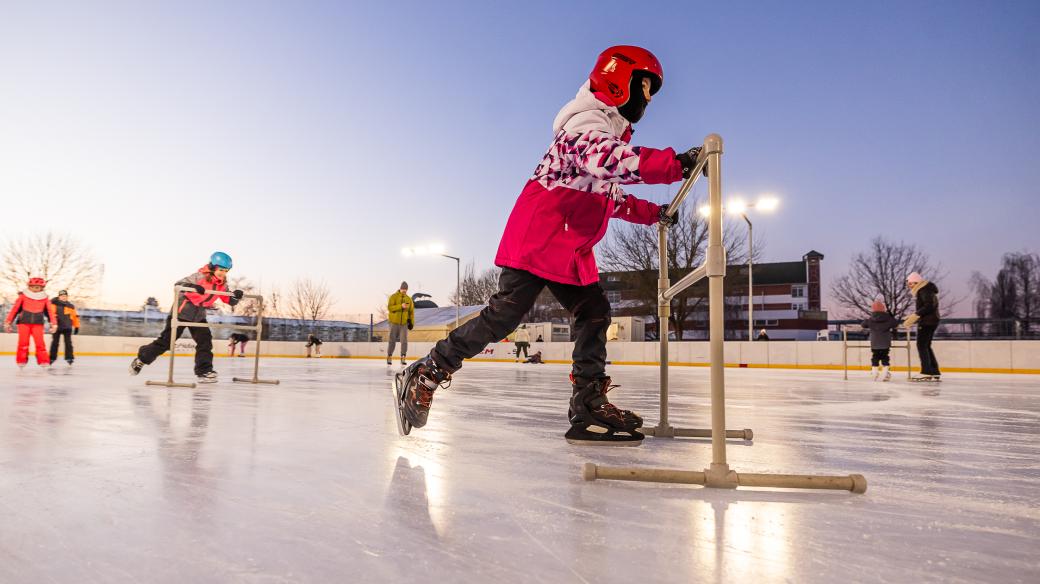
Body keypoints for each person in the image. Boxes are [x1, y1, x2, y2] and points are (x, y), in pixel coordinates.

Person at [397, 46, 694, 444]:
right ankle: (428, 371)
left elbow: (612, 195)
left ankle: (587, 403)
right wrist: (674, 163)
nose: (650, 97)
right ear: (618, 81)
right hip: (539, 237)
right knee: (505, 316)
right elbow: (609, 162)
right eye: (644, 86)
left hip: (568, 246)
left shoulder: (605, 132)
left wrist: (653, 213)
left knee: (594, 313)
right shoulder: (584, 125)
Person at [129, 252, 242, 383]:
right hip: (181, 313)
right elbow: (178, 285)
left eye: (225, 270)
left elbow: (229, 300)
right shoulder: (199, 276)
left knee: (205, 341)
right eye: (220, 269)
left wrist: (236, 296)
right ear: (212, 267)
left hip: (198, 316)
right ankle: (141, 359)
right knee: (166, 342)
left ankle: (204, 371)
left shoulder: (222, 285)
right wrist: (193, 287)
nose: (222, 273)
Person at [4, 277, 57, 368]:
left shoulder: (45, 299)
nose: (35, 289)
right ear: (29, 286)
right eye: (33, 287)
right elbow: (15, 309)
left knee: (40, 343)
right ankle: (21, 360)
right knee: (23, 343)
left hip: (38, 324)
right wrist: (8, 322)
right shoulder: (23, 296)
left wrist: (54, 323)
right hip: (24, 323)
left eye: (38, 287)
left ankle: (44, 361)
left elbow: (49, 312)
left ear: (42, 288)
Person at [903, 272, 941, 381]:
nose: (909, 286)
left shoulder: (923, 289)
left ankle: (926, 371)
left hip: (927, 322)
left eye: (910, 284)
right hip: (932, 320)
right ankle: (934, 371)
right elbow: (928, 305)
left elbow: (929, 306)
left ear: (916, 282)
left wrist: (916, 315)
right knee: (926, 345)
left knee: (921, 345)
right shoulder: (926, 289)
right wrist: (912, 315)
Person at [862, 298, 900, 381]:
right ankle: (885, 371)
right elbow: (896, 324)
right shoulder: (889, 319)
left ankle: (875, 372)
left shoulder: (871, 319)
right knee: (885, 357)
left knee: (875, 356)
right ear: (884, 309)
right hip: (885, 342)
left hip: (874, 342)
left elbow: (863, 324)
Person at [49, 290, 80, 365]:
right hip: (57, 327)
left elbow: (75, 317)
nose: (63, 297)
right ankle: (52, 358)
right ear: (59, 296)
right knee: (55, 343)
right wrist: (52, 324)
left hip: (67, 327)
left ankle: (69, 357)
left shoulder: (70, 306)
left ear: (67, 297)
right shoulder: (53, 304)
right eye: (62, 296)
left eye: (65, 296)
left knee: (68, 343)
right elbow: (51, 315)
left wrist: (77, 326)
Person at [386, 282, 414, 365]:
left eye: (406, 289)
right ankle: (389, 356)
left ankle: (403, 357)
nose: (404, 291)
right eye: (403, 289)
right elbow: (390, 308)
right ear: (400, 288)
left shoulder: (409, 299)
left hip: (404, 324)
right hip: (393, 322)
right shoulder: (393, 297)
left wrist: (411, 322)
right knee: (392, 340)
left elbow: (411, 312)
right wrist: (400, 306)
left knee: (404, 341)